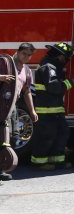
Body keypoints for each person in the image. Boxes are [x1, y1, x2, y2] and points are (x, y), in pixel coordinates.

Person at [31, 42, 74, 170]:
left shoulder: (53, 66)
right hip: (46, 111)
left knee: (62, 134)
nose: (66, 61)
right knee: (46, 136)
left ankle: (57, 162)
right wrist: (70, 82)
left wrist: (73, 50)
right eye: (66, 58)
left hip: (55, 109)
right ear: (60, 56)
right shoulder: (48, 67)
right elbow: (54, 87)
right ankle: (39, 163)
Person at [0, 43, 38, 181]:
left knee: (13, 137)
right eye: (24, 54)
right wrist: (1, 77)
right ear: (18, 51)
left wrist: (32, 110)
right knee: (1, 136)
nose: (27, 57)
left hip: (12, 107)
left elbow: (27, 91)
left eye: (29, 55)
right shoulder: (5, 63)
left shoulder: (27, 70)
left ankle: (2, 168)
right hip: (1, 104)